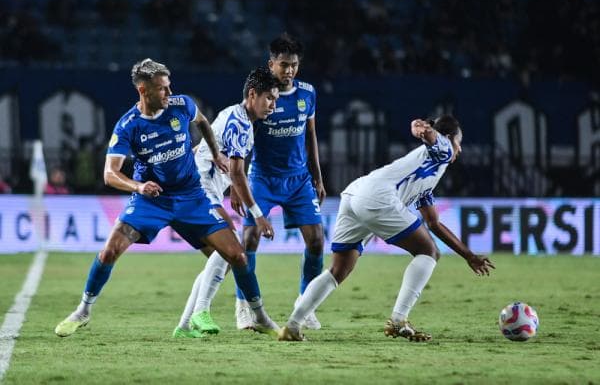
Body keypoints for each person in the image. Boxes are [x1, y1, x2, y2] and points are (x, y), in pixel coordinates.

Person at [54, 58, 278, 337]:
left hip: (191, 196)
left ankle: (257, 316)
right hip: (152, 200)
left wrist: (215, 151)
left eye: (169, 87)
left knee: (237, 257)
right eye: (162, 89)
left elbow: (204, 122)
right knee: (110, 250)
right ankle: (83, 311)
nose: (169, 94)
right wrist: (138, 187)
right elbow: (109, 174)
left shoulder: (181, 105)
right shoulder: (129, 126)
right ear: (143, 90)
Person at [278, 116, 495, 342]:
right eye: (459, 142)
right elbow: (433, 138)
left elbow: (434, 224)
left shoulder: (426, 176)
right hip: (377, 197)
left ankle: (292, 325)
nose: (459, 149)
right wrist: (424, 130)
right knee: (429, 252)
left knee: (338, 270)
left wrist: (468, 255)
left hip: (354, 194)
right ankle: (399, 320)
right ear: (450, 138)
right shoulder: (444, 151)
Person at [172, 67, 280, 338]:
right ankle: (201, 312)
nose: (273, 105)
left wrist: (231, 188)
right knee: (230, 248)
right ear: (252, 94)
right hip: (200, 188)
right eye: (269, 98)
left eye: (276, 99)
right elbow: (237, 171)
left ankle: (185, 326)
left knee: (224, 256)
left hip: (203, 187)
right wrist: (258, 214)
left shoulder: (232, 114)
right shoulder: (240, 122)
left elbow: (208, 151)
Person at [231, 33, 327, 330]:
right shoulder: (258, 96)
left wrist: (317, 177)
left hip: (298, 180)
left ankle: (306, 304)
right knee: (249, 239)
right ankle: (244, 305)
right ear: (271, 64)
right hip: (262, 177)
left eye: (294, 65)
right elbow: (243, 141)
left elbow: (310, 136)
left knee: (317, 241)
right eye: (284, 65)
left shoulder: (307, 93)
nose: (289, 71)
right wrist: (237, 185)